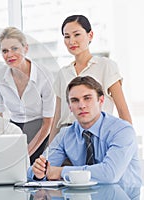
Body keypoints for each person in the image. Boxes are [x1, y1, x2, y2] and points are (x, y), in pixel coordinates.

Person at [28, 76, 142, 185]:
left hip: (123, 194)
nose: (81, 105)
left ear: (101, 100)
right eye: (75, 100)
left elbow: (110, 173)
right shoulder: (65, 135)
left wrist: (60, 172)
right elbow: (39, 171)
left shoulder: (122, 130)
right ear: (70, 107)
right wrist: (39, 172)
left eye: (87, 98)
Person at [49, 15, 132, 144]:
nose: (71, 41)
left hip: (98, 135)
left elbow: (122, 111)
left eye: (77, 34)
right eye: (67, 36)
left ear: (90, 35)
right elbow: (57, 117)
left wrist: (129, 147)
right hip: (67, 137)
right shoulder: (62, 73)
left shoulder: (106, 66)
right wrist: (50, 149)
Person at [0, 27, 55, 164]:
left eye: (15, 49)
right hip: (15, 129)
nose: (9, 55)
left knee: (36, 168)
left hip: (41, 129)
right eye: (5, 51)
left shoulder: (44, 76)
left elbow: (48, 123)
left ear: (25, 48)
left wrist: (26, 153)